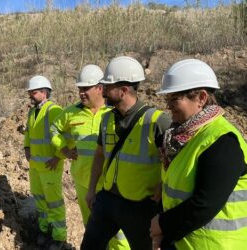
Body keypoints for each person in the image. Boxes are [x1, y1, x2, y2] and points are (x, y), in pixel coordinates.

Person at [150, 59, 247, 250]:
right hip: (184, 240)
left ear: (201, 98)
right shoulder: (183, 137)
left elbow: (205, 204)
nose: (168, 106)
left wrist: (162, 224)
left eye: (175, 98)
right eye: (167, 99)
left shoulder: (222, 141)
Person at [81, 56, 172, 250]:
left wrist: (163, 185)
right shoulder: (107, 119)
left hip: (140, 207)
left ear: (123, 91)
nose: (103, 90)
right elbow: (99, 155)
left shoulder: (157, 121)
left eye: (107, 86)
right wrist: (91, 189)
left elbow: (176, 162)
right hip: (107, 200)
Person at [51, 64, 129, 250]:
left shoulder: (114, 112)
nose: (81, 93)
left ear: (100, 88)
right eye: (79, 89)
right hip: (83, 181)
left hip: (112, 186)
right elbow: (53, 130)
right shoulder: (71, 112)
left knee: (118, 235)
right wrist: (63, 148)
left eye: (85, 88)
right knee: (92, 229)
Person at [24, 75, 67, 250]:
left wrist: (58, 157)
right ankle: (44, 230)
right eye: (30, 92)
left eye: (33, 92)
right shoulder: (32, 112)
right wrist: (27, 148)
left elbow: (64, 136)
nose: (30, 96)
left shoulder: (54, 110)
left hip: (50, 165)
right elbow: (28, 133)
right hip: (35, 166)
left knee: (54, 202)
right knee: (40, 200)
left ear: (44, 92)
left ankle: (58, 237)